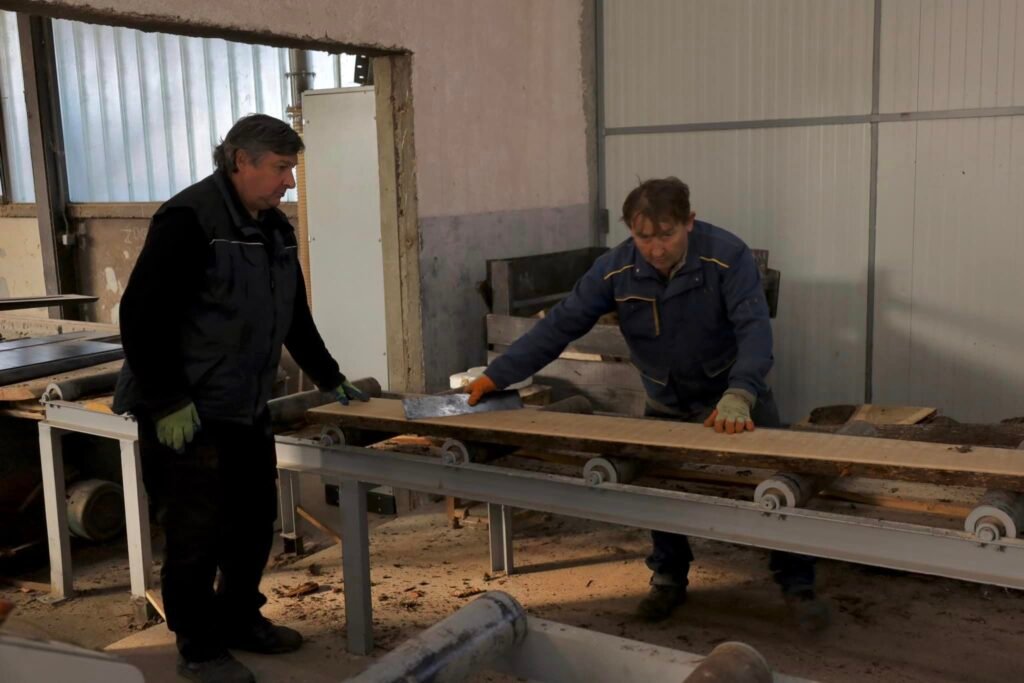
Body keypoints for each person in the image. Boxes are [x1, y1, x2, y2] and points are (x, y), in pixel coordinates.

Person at [466, 177, 826, 628]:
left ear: (689, 222)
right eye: (643, 237)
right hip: (665, 398)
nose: (655, 249)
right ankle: (669, 578)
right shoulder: (614, 269)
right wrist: (496, 375)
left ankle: (797, 583)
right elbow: (559, 326)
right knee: (657, 490)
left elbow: (754, 330)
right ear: (630, 231)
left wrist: (741, 393)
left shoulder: (727, 256)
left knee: (780, 482)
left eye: (666, 235)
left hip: (731, 396)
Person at [113, 114, 369, 683]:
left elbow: (293, 313)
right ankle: (198, 647)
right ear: (240, 162)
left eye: (291, 169)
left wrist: (329, 375)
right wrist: (166, 399)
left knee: (252, 522)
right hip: (189, 411)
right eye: (280, 168)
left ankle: (238, 619)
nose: (289, 182)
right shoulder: (189, 220)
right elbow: (142, 315)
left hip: (244, 404)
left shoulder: (274, 228)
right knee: (195, 534)